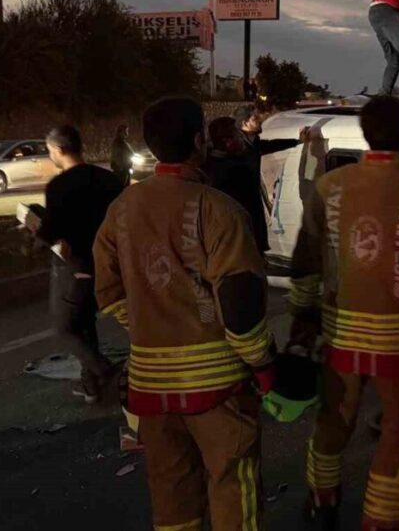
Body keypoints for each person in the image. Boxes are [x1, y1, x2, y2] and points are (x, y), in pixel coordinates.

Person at [94, 97, 276, 531]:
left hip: (150, 389)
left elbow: (109, 292)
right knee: (234, 486)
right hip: (218, 387)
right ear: (198, 141)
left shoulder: (121, 210)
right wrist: (263, 364)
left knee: (173, 497)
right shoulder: (219, 210)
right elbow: (240, 305)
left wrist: (149, 322)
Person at [288, 96, 399, 530]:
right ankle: (380, 519)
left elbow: (305, 260)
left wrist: (303, 317)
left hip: (338, 332)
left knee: (333, 419)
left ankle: (322, 502)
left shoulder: (330, 187)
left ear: (363, 132)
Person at [23, 126, 124, 403]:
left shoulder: (60, 185)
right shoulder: (109, 179)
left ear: (58, 149)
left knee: (64, 328)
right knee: (84, 322)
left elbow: (54, 231)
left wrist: (35, 230)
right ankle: (91, 385)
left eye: (49, 149)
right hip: (108, 263)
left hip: (75, 264)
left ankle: (106, 372)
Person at [204, 117, 269, 253]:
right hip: (242, 244)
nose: (241, 138)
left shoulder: (210, 165)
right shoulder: (235, 169)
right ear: (227, 141)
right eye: (237, 135)